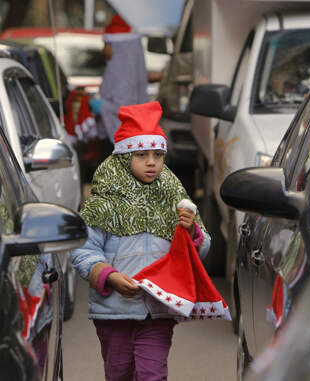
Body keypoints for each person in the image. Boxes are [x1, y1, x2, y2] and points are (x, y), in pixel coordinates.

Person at [70, 101, 211, 381]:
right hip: (113, 313)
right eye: (142, 154)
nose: (151, 162)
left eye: (158, 155)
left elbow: (203, 246)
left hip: (157, 310)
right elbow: (83, 249)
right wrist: (108, 276)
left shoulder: (174, 198)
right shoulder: (104, 202)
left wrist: (191, 232)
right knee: (119, 372)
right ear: (124, 158)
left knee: (151, 374)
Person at [89, 14, 149, 143]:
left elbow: (124, 110)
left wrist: (102, 106)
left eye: (106, 43)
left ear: (117, 45)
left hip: (121, 140)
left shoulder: (121, 71)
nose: (104, 49)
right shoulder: (129, 68)